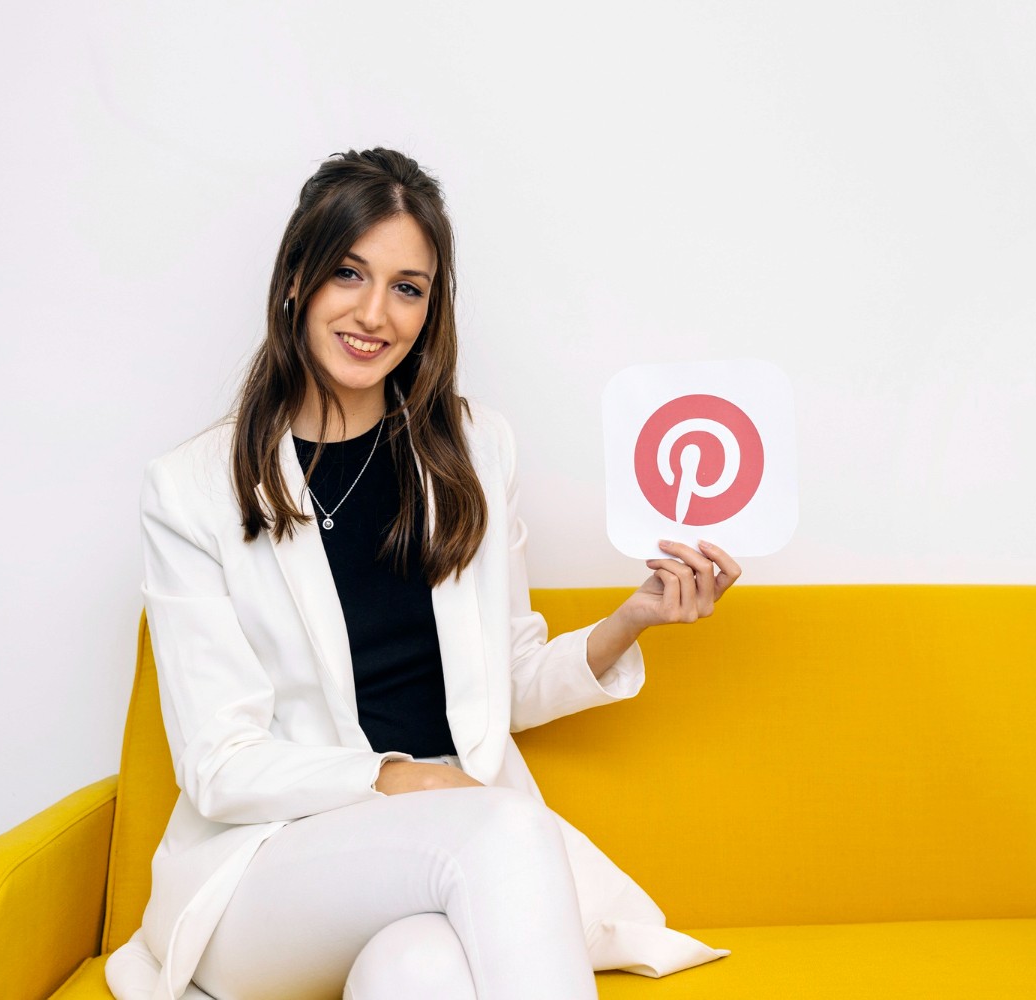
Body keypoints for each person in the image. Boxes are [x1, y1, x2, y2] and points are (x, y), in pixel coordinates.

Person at [104, 148, 739, 1000]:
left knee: (421, 972)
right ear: (296, 279)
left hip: (435, 857)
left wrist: (634, 618)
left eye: (408, 286)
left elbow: (506, 681)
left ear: (431, 306)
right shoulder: (190, 489)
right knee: (507, 827)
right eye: (348, 274)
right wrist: (395, 777)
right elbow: (220, 765)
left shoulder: (472, 451)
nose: (375, 313)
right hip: (268, 870)